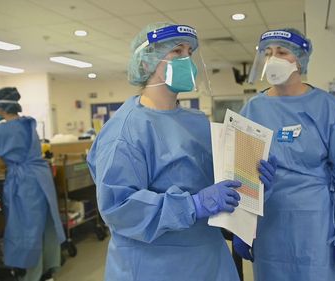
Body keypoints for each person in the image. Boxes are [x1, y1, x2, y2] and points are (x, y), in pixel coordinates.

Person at [87, 22, 277, 281]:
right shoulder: (125, 130)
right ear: (146, 64)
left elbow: (218, 184)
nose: (187, 59)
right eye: (177, 52)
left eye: (190, 52)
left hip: (209, 258)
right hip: (155, 266)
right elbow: (119, 208)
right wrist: (192, 204)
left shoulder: (196, 121)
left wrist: (252, 180)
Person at [232, 28, 335, 281]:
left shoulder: (326, 107)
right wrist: (241, 226)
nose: (274, 59)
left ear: (300, 60)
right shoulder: (253, 109)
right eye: (268, 53)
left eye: (282, 52)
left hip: (317, 225)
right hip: (269, 224)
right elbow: (242, 174)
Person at [0, 87, 65, 281]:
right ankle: (46, 271)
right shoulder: (26, 123)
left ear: (1, 108)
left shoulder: (4, 129)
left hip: (25, 183)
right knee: (42, 225)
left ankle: (30, 274)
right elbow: (3, 136)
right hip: (40, 179)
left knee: (26, 228)